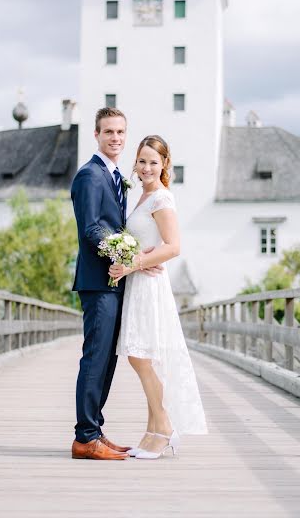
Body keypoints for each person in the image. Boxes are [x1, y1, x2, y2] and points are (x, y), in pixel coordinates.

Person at [70, 107, 160, 460]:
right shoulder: (90, 176)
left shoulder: (115, 175)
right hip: (98, 281)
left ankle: (94, 429)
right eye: (109, 132)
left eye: (121, 132)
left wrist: (137, 261)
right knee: (95, 358)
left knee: (106, 359)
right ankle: (85, 437)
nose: (116, 138)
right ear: (96, 135)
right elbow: (91, 229)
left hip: (114, 280)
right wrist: (128, 258)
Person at [109, 135, 207, 460]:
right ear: (135, 165)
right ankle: (152, 430)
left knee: (141, 356)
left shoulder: (162, 198)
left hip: (150, 285)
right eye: (142, 161)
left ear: (164, 164)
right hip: (138, 283)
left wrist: (133, 263)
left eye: (154, 161)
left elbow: (173, 246)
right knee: (141, 356)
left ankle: (164, 426)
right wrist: (128, 261)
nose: (147, 167)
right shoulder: (141, 197)